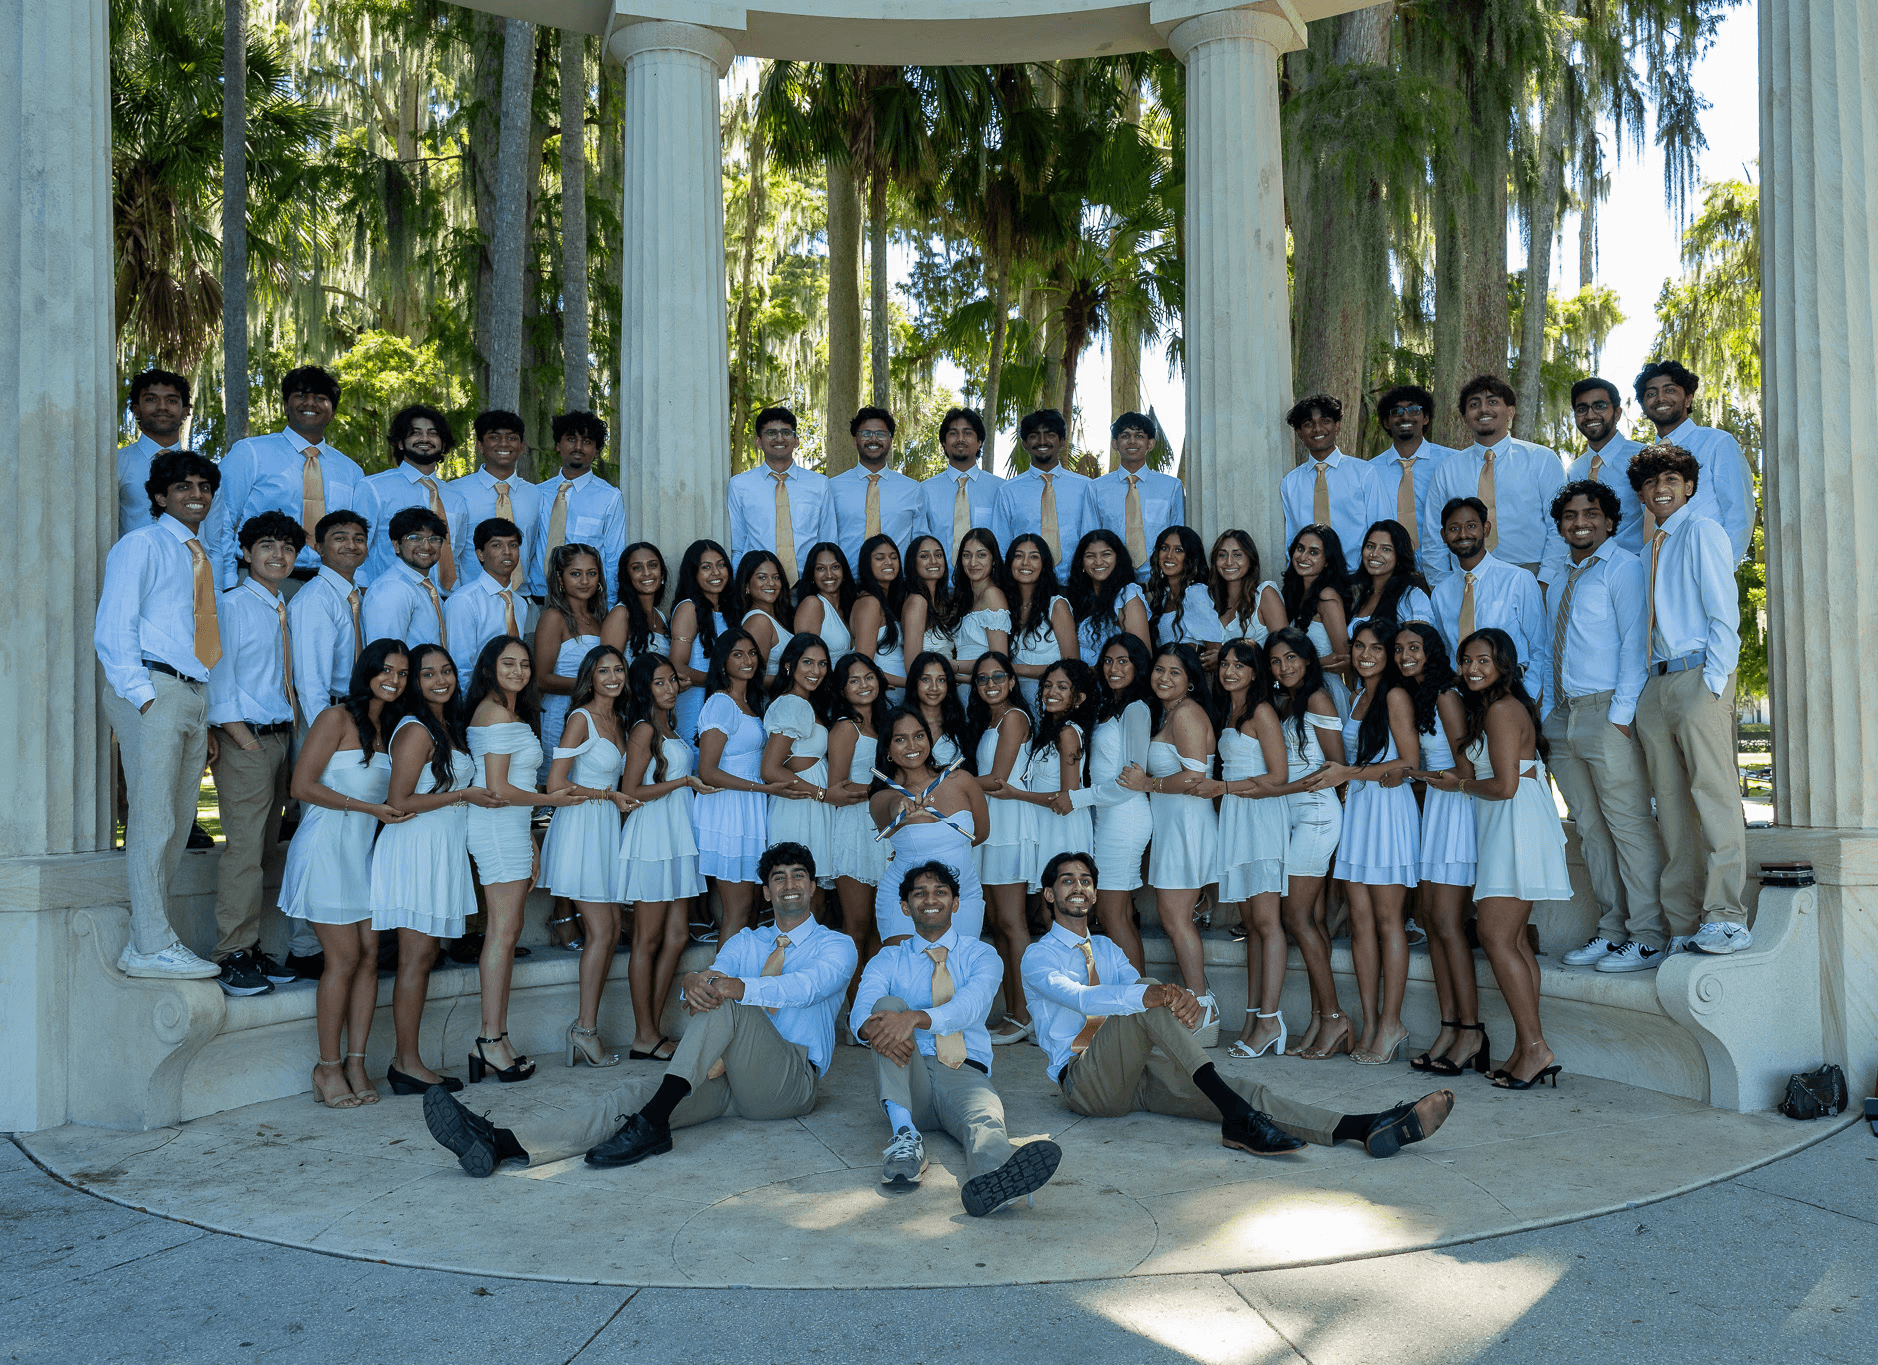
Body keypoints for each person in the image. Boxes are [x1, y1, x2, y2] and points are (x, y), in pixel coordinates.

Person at [426, 844, 857, 1175]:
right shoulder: (747, 941)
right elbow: (713, 980)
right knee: (630, 1095)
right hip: (727, 1080)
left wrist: (734, 988)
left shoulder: (837, 946)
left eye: (798, 876)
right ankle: (502, 1142)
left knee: (730, 1004)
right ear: (766, 891)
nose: (789, 885)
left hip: (790, 1083)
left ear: (813, 887)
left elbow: (805, 988)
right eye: (778, 878)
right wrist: (693, 983)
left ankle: (651, 1125)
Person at [1022, 852, 1455, 1159]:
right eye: (1067, 880)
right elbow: (1081, 997)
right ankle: (1236, 1119)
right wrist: (1155, 994)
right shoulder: (1038, 956)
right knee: (1148, 991)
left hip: (1134, 1073)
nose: (1078, 887)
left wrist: (1177, 999)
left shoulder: (1107, 948)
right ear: (1049, 894)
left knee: (1244, 1093)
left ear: (1095, 893)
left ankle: (1363, 1126)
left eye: (1086, 880)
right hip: (1084, 1082)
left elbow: (1141, 996)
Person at [852, 861, 1063, 1214]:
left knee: (986, 1119)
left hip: (962, 1068)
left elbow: (969, 1006)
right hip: (907, 1074)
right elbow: (861, 1012)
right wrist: (874, 1026)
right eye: (920, 893)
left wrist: (914, 1018)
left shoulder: (982, 955)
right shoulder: (887, 958)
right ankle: (905, 1137)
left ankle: (993, 1182)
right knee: (884, 1008)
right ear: (905, 907)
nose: (930, 899)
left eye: (940, 892)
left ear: (956, 903)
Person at [1416, 629, 1571, 1090]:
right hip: (1505, 823)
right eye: (1466, 660)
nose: (1472, 668)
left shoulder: (1503, 710)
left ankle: (1536, 1047)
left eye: (1483, 660)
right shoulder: (1492, 708)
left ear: (1504, 665)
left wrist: (1458, 785)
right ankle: (1527, 1047)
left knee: (1496, 936)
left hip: (1514, 823)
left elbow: (1505, 786)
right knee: (1514, 941)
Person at [96, 449, 224, 980]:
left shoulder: (201, 554)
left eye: (204, 487)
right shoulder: (141, 544)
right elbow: (114, 624)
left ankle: (151, 935)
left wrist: (201, 707)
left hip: (191, 692)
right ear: (159, 496)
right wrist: (142, 694)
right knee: (154, 818)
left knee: (177, 821)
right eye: (184, 487)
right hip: (153, 688)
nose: (196, 495)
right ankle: (150, 943)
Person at [1628, 444, 1751, 956]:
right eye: (1651, 482)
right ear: (1641, 494)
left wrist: (1715, 683)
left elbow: (1724, 613)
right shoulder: (1646, 551)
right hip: (1656, 685)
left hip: (1698, 676)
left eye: (1671, 480)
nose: (1661, 489)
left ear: (1689, 487)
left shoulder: (1702, 531)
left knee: (1714, 796)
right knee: (1672, 811)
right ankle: (1683, 924)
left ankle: (1726, 917)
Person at [1543, 481, 1665, 974]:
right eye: (1570, 515)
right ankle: (1613, 931)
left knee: (1628, 826)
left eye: (1591, 513)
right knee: (1591, 831)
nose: (1580, 523)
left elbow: (1635, 645)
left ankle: (1649, 935)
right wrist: (1548, 712)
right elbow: (1549, 647)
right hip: (1563, 717)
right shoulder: (1560, 576)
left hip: (1607, 714)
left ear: (1610, 521)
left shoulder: (1623, 568)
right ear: (1560, 526)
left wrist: (1620, 716)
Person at [283, 640, 412, 1107]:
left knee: (370, 956)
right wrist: (367, 808)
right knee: (343, 957)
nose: (394, 680)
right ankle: (327, 1067)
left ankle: (357, 1062)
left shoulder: (393, 728)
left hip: (363, 854)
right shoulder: (335, 718)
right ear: (367, 671)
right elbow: (301, 785)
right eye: (386, 670)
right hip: (326, 847)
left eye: (402, 673)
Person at [371, 643, 496, 1094]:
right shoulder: (415, 729)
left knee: (423, 957)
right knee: (415, 958)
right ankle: (406, 1063)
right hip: (416, 848)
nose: (440, 680)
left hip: (441, 847)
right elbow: (398, 801)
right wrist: (461, 795)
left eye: (447, 671)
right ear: (414, 683)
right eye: (427, 674)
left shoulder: (446, 726)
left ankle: (407, 1060)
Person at [204, 511, 308, 996]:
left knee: (266, 851)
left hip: (281, 738)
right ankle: (230, 954)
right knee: (245, 853)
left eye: (287, 547)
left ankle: (252, 948)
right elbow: (217, 675)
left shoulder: (281, 606)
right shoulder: (232, 605)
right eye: (267, 545)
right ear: (246, 553)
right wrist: (241, 736)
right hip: (247, 740)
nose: (278, 555)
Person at [1308, 620, 1421, 1065]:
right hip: (1359, 809)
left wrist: (1348, 773)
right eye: (1359, 647)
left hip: (1388, 813)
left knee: (1389, 920)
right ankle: (1371, 1022)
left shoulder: (1395, 696)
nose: (1366, 655)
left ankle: (1392, 1022)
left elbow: (1408, 761)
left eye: (1376, 647)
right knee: (1360, 921)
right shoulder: (1357, 696)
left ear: (1390, 654)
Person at [464, 636, 564, 1082]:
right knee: (502, 935)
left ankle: (497, 1036)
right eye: (508, 663)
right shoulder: (494, 713)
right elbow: (498, 788)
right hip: (495, 829)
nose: (518, 671)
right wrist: (552, 800)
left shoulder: (508, 712)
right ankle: (488, 1039)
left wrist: (530, 838)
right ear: (489, 667)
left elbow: (511, 788)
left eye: (524, 664)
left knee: (508, 932)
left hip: (511, 828)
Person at [1392, 622, 1486, 1076]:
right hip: (1436, 808)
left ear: (1431, 652)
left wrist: (1420, 777)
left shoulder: (1447, 695)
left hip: (1456, 811)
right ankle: (1449, 1027)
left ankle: (1471, 1031)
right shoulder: (1421, 696)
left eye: (1415, 647)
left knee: (1448, 924)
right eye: (1399, 649)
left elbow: (1465, 769)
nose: (1405, 656)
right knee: (1431, 921)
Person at [539, 644, 638, 1067]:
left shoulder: (620, 719)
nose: (613, 677)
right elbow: (555, 785)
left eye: (618, 670)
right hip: (581, 828)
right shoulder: (580, 718)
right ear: (589, 678)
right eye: (603, 671)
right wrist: (606, 795)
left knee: (611, 930)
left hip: (605, 828)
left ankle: (584, 1029)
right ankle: (584, 1030)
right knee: (601, 931)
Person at [1117, 642, 1221, 1041]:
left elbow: (1195, 777)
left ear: (1191, 680)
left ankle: (1203, 1010)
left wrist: (1147, 783)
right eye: (1159, 669)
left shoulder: (1188, 713)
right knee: (1175, 918)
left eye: (1175, 672)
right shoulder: (1170, 713)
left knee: (1176, 920)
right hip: (1173, 826)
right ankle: (1200, 1004)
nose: (1164, 677)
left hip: (1186, 827)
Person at [617, 653, 713, 1061]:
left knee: (676, 936)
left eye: (673, 680)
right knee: (648, 937)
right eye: (659, 682)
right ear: (644, 688)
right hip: (653, 836)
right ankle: (644, 1034)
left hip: (677, 834)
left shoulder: (668, 726)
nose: (671, 688)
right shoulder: (643, 729)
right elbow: (630, 792)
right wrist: (684, 781)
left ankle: (650, 1030)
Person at [1264, 628, 1351, 1058]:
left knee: (1296, 918)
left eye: (1291, 658)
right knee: (1310, 918)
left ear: (1308, 659)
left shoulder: (1317, 699)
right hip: (1294, 816)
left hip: (1316, 814)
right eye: (1276, 661)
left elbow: (1336, 768)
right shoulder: (1287, 702)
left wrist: (1273, 792)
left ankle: (1335, 1017)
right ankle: (1320, 1018)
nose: (1284, 667)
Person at [207, 366, 370, 589]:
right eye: (301, 396)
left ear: (332, 412)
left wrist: (358, 584)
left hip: (329, 585)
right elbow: (220, 519)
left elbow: (358, 534)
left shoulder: (351, 470)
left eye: (320, 398)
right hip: (259, 580)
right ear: (286, 406)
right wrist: (227, 579)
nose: (310, 403)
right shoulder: (250, 453)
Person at [1211, 639, 1292, 1059]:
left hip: (1260, 816)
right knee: (1251, 925)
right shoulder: (1229, 710)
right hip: (1237, 816)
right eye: (1225, 664)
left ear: (1256, 672)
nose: (1229, 671)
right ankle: (1252, 1016)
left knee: (1266, 921)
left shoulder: (1262, 711)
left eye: (1239, 665)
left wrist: (1224, 787)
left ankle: (1271, 1020)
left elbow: (1278, 776)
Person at [1421, 375, 1568, 577]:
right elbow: (1433, 536)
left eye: (1492, 402)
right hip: (1466, 577)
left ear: (1510, 412)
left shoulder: (1541, 460)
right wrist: (1441, 586)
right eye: (1474, 404)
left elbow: (1559, 526)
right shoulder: (1447, 469)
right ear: (1465, 417)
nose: (1483, 409)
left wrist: (1546, 581)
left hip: (1530, 572)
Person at [1069, 634, 1155, 972]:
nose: (1113, 668)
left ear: (1137, 666)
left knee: (1112, 913)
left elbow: (1129, 782)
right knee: (1113, 913)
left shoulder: (1135, 709)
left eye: (1123, 661)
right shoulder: (1112, 705)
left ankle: (1139, 995)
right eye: (1108, 661)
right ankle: (1132, 992)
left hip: (1125, 816)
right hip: (1107, 816)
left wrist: (1077, 798)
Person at [870, 708, 990, 949]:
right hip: (906, 897)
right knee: (908, 967)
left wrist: (942, 852)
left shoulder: (961, 780)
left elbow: (981, 833)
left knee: (958, 967)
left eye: (919, 736)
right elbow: (889, 809)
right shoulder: (882, 796)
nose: (912, 745)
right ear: (887, 750)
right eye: (900, 739)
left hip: (962, 894)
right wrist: (901, 807)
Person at [693, 628, 779, 944]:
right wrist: (762, 790)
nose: (748, 660)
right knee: (738, 911)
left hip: (748, 807)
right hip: (729, 810)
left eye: (752, 653)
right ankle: (723, 976)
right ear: (722, 662)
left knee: (748, 911)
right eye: (738, 654)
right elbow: (707, 771)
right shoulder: (721, 703)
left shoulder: (752, 701)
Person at [966, 652, 1036, 1040]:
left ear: (1011, 681)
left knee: (1012, 922)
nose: (990, 684)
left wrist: (946, 782)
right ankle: (1012, 1011)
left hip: (1008, 824)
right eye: (982, 678)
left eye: (998, 676)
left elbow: (997, 780)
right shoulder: (990, 720)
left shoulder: (1014, 718)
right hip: (989, 823)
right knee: (998, 923)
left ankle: (1025, 1014)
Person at [1635, 360, 1754, 563]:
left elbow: (1739, 515)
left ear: (1688, 399)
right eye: (1651, 393)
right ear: (1644, 406)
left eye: (1669, 390)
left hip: (1705, 565)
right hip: (1656, 570)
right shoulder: (1643, 459)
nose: (1660, 398)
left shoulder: (1717, 443)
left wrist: (1720, 569)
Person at [1428, 497, 1548, 688]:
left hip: (1509, 688)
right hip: (1462, 691)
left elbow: (1540, 647)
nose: (1463, 534)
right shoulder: (1440, 593)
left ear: (1486, 529)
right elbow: (1446, 651)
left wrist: (1528, 695)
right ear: (1443, 535)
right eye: (1454, 528)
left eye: (1471, 526)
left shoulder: (1518, 580)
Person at [825, 653, 894, 982]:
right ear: (842, 689)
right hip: (855, 828)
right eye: (853, 680)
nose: (863, 685)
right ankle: (856, 1007)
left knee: (884, 926)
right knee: (857, 926)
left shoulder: (887, 723)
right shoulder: (845, 727)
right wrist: (887, 790)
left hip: (886, 826)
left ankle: (876, 1000)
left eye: (868, 677)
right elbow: (837, 787)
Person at [360, 404, 470, 591]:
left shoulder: (454, 497)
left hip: (447, 598)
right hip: (391, 595)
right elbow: (358, 546)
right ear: (400, 443)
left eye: (433, 433)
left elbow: (456, 553)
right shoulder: (374, 488)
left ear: (443, 444)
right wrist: (364, 592)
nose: (425, 439)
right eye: (415, 433)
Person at [1013, 659, 1099, 885]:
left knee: (1058, 893)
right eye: (1048, 685)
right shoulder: (1053, 730)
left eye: (1062, 687)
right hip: (1046, 822)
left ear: (1079, 698)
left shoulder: (1068, 733)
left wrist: (1015, 794)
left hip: (1062, 826)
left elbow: (1067, 798)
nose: (1051, 692)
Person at [726, 406, 837, 582]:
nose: (779, 438)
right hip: (759, 584)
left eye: (786, 432)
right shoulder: (740, 485)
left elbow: (829, 542)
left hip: (807, 584)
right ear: (758, 441)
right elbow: (737, 546)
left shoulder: (819, 484)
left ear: (796, 440)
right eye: (771, 433)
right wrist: (738, 586)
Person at [1544, 379, 1646, 566]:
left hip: (1635, 566)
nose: (1590, 415)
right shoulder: (1573, 470)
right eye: (1581, 409)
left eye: (1599, 406)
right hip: (1585, 569)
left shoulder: (1642, 458)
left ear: (1617, 413)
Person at [1279, 394, 1383, 575]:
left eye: (1325, 421)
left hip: (1355, 576)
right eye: (1308, 423)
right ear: (1299, 433)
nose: (1317, 428)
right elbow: (1291, 538)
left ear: (1337, 426)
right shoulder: (1290, 483)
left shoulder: (1364, 473)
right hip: (1309, 578)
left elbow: (1379, 527)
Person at [528, 411, 625, 603]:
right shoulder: (537, 493)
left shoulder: (610, 497)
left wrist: (609, 605)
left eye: (587, 441)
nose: (578, 447)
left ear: (596, 451)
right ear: (558, 445)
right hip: (538, 597)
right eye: (571, 439)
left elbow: (614, 557)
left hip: (587, 602)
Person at [761, 634, 836, 877]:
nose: (816, 671)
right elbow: (770, 770)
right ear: (788, 665)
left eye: (822, 664)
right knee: (796, 881)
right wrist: (822, 794)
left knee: (812, 883)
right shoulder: (792, 704)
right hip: (799, 805)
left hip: (812, 804)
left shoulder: (808, 702)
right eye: (807, 662)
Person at [1372, 383, 1460, 584]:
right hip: (1389, 572)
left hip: (1446, 569)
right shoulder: (1370, 471)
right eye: (1396, 412)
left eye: (1413, 410)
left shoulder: (1451, 462)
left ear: (1426, 418)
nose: (1405, 416)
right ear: (1387, 422)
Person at [448, 409, 541, 596]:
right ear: (480, 445)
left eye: (511, 438)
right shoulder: (455, 491)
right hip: (471, 597)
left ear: (522, 447)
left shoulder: (535, 494)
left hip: (521, 597)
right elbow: (450, 550)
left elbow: (533, 549)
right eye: (494, 437)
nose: (504, 443)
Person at [990, 410, 1095, 575]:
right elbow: (1001, 545)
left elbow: (1093, 538)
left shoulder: (1085, 487)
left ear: (1062, 441)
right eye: (1034, 436)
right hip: (1027, 583)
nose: (1042, 441)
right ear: (1025, 444)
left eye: (1050, 435)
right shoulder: (1008, 491)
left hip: (1076, 582)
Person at [288, 510, 370, 715]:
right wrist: (323, 727)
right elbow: (310, 681)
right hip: (328, 712)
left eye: (359, 539)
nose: (351, 545)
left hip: (358, 708)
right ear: (319, 548)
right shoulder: (315, 599)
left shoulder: (356, 597)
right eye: (340, 538)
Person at [1090, 411, 1186, 579]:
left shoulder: (1171, 487)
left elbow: (1179, 536)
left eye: (1139, 436)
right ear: (1115, 444)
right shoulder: (1096, 488)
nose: (1132, 441)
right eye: (1125, 436)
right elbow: (1091, 537)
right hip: (1113, 580)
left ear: (1150, 443)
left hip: (1160, 579)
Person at [830, 407, 928, 569]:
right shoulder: (833, 487)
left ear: (890, 440)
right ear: (855, 440)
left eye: (881, 434)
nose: (873, 439)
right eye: (866, 433)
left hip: (897, 580)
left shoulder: (912, 489)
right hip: (847, 580)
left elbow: (920, 541)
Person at [668, 539, 740, 743]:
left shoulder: (730, 611)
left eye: (721, 565)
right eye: (706, 567)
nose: (716, 572)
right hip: (695, 704)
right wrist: (725, 681)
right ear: (693, 573)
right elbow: (677, 667)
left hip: (725, 703)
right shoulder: (688, 608)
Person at [1280, 524, 1355, 715]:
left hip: (1325, 689)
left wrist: (1297, 666)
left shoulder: (1327, 597)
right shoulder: (1293, 594)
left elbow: (1343, 658)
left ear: (1328, 561)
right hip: (1298, 689)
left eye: (1313, 552)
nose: (1303, 557)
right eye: (1300, 548)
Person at [444, 518, 527, 679]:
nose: (507, 552)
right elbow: (460, 667)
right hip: (477, 691)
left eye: (513, 545)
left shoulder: (519, 603)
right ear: (480, 554)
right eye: (497, 545)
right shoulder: (464, 600)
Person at [919, 407, 1004, 559]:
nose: (960, 439)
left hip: (986, 573)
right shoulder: (925, 490)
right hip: (939, 573)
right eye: (953, 433)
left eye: (967, 433)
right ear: (944, 443)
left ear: (979, 442)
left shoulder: (1000, 489)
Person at [359, 507, 450, 649]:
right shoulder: (392, 589)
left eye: (434, 539)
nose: (426, 546)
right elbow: (386, 654)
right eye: (415, 538)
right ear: (397, 545)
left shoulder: (423, 585)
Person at [117, 368, 191, 539]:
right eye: (151, 399)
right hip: (133, 555)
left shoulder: (203, 471)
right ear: (136, 409)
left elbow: (214, 539)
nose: (162, 407)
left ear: (185, 411)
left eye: (171, 400)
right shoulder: (116, 464)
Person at [1006, 533, 1076, 708]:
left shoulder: (1057, 606)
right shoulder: (1005, 607)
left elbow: (1072, 664)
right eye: (1018, 556)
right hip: (1014, 700)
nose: (1025, 562)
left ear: (1044, 564)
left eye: (1034, 557)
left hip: (1051, 701)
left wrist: (1012, 669)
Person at [1067, 529, 1151, 663]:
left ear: (1118, 558)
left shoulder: (1127, 596)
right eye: (1090, 556)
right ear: (1081, 562)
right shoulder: (1078, 596)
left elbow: (1141, 657)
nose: (1098, 562)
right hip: (1079, 674)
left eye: (1106, 554)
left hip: (1112, 675)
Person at [1147, 526, 1227, 660]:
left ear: (1190, 556)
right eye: (1164, 548)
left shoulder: (1195, 593)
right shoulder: (1164, 597)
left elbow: (1214, 651)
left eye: (1178, 550)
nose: (1169, 555)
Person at [949, 528, 1012, 691]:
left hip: (983, 686)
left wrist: (953, 667)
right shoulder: (965, 597)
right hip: (963, 686)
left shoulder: (993, 595)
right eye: (967, 555)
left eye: (981, 555)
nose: (973, 562)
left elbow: (998, 660)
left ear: (994, 560)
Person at [1348, 519, 1434, 634]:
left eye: (1386, 549)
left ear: (1399, 556)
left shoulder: (1412, 596)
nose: (1374, 554)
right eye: (1370, 546)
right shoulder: (1360, 595)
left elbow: (1416, 642)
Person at [850, 534, 909, 693]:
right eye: (880, 558)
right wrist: (912, 684)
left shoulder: (887, 601)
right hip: (883, 694)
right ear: (867, 564)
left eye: (893, 557)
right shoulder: (870, 602)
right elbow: (863, 663)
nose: (888, 562)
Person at [601, 541, 672, 667]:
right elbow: (608, 669)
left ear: (662, 572)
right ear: (627, 576)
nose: (646, 573)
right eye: (637, 568)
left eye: (653, 565)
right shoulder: (621, 614)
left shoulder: (660, 616)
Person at [1209, 528, 1283, 646]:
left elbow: (1284, 647)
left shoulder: (1265, 594)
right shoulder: (1210, 599)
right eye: (1222, 555)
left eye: (1237, 555)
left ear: (1250, 559)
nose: (1229, 562)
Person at [900, 533, 959, 667]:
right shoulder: (917, 602)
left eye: (938, 555)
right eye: (924, 556)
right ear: (913, 563)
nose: (933, 561)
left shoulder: (941, 602)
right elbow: (912, 666)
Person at [792, 541, 857, 661]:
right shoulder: (812, 604)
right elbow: (804, 659)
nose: (829, 575)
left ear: (844, 572)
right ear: (812, 575)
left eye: (835, 567)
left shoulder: (849, 606)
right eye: (821, 568)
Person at [736, 548, 795, 681]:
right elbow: (753, 678)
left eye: (776, 577)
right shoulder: (759, 621)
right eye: (762, 577)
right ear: (747, 586)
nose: (771, 583)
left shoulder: (778, 617)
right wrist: (794, 679)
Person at [907, 650, 971, 768]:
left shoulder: (960, 726)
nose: (934, 687)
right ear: (915, 682)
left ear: (948, 684)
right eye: (926, 679)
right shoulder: (899, 723)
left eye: (941, 680)